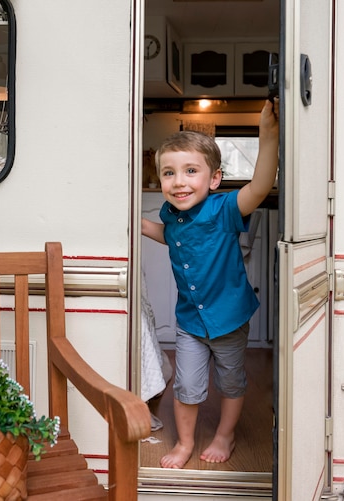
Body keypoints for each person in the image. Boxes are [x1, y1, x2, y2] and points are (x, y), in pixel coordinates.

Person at [141, 99, 279, 468]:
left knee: (231, 382)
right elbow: (169, 236)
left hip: (229, 318)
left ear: (214, 178)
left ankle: (225, 434)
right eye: (169, 173)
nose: (179, 181)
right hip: (189, 320)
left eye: (190, 171)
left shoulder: (225, 209)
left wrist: (268, 137)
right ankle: (185, 443)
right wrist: (136, 222)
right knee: (187, 386)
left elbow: (262, 185)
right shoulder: (172, 214)